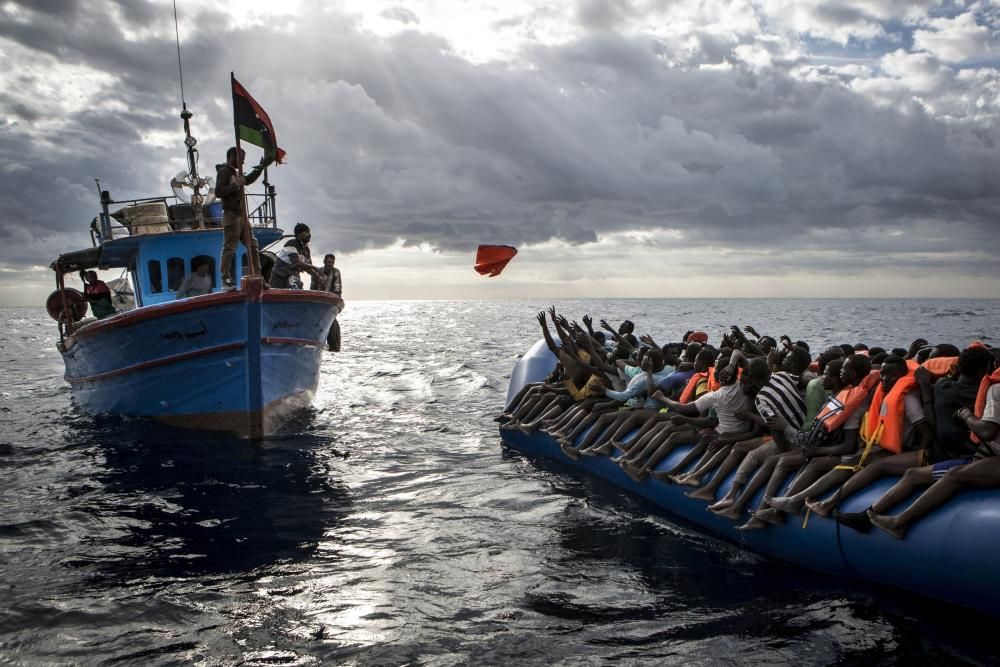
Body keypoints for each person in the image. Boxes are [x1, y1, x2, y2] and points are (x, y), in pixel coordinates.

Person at [869, 363, 1000, 538]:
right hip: (982, 456)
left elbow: (986, 431)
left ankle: (898, 522)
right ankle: (870, 516)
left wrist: (965, 415)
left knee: (953, 475)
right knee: (913, 474)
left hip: (983, 458)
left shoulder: (993, 389)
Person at [216, 146, 270, 289]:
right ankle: (225, 279)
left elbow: (248, 180)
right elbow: (218, 191)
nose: (243, 163)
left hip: (242, 216)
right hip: (231, 216)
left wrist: (260, 167)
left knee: (253, 245)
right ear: (232, 156)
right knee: (229, 248)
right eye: (241, 159)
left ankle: (258, 276)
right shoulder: (224, 171)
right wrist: (234, 185)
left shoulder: (235, 172)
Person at [270, 223, 322, 289]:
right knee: (275, 292)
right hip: (280, 274)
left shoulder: (306, 250)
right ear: (298, 234)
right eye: (306, 232)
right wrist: (314, 267)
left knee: (295, 286)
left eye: (309, 232)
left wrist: (318, 278)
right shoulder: (291, 243)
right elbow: (296, 262)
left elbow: (308, 268)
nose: (309, 235)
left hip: (293, 275)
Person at [313, 253, 343, 351]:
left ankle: (333, 346)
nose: (331, 264)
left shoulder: (336, 272)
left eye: (332, 262)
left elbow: (338, 290)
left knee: (332, 323)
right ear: (324, 261)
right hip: (317, 302)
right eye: (329, 262)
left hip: (329, 303)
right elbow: (312, 288)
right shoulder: (317, 272)